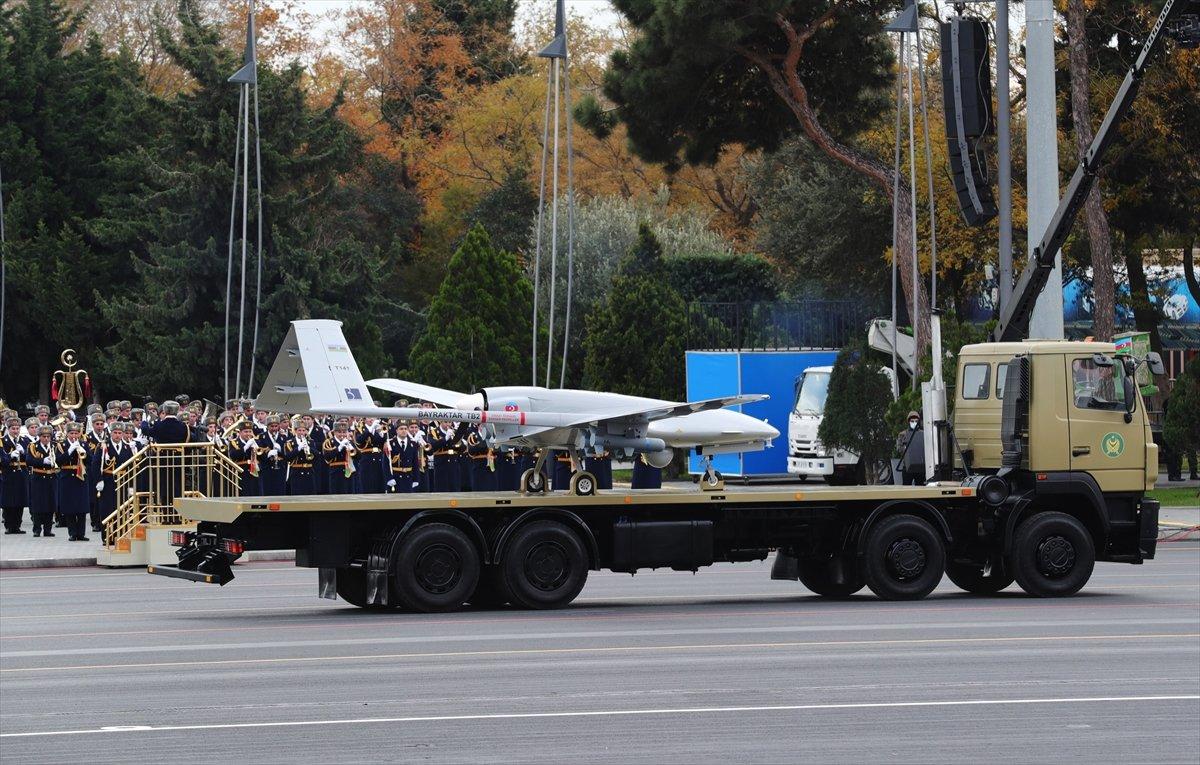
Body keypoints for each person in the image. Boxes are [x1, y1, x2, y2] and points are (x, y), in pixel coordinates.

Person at [95, 423, 135, 542]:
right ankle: (107, 537)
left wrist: (131, 485)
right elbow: (96, 464)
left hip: (123, 482)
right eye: (115, 433)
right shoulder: (103, 446)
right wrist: (99, 480)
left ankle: (120, 535)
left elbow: (132, 467)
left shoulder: (128, 447)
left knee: (122, 510)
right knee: (107, 510)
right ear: (111, 433)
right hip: (108, 482)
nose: (117, 435)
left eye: (119, 433)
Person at [53, 423, 91, 541]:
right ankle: (72, 533)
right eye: (71, 433)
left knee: (81, 507)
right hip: (67, 478)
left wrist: (85, 452)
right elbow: (58, 461)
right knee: (70, 507)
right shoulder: (61, 445)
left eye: (76, 433)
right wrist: (69, 450)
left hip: (81, 478)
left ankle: (81, 533)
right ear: (67, 434)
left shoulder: (84, 444)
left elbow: (91, 460)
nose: (74, 436)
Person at [27, 425, 58, 536]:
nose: (46, 439)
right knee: (38, 504)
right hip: (38, 477)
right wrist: (42, 461)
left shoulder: (55, 446)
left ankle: (48, 529)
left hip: (51, 477)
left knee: (50, 504)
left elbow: (60, 458)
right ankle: (37, 529)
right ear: (39, 437)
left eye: (48, 436)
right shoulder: (33, 446)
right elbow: (29, 460)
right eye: (43, 436)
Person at [2, 417, 29, 534]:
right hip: (8, 474)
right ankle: (9, 526)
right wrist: (10, 456)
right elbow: (1, 459)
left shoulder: (23, 440)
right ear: (8, 429)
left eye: (17, 428)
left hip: (21, 474)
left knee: (19, 500)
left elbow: (31, 458)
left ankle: (17, 525)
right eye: (13, 428)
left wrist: (24, 452)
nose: (16, 431)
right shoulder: (3, 441)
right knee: (9, 501)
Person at [226, 420, 263, 497]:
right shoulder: (234, 442)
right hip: (242, 472)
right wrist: (245, 447)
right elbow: (233, 456)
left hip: (255, 472)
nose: (248, 434)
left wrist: (255, 446)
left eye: (250, 431)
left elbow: (262, 457)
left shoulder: (256, 441)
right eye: (245, 432)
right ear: (240, 433)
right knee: (244, 494)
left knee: (256, 493)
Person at [323, 418, 358, 494]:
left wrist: (351, 447)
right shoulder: (329, 442)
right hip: (335, 472)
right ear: (334, 432)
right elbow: (327, 457)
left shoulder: (349, 441)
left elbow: (358, 457)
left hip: (348, 471)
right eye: (339, 432)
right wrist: (339, 447)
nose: (342, 434)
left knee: (349, 493)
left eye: (344, 432)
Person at [354, 417, 388, 493]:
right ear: (365, 419)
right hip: (367, 458)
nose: (371, 419)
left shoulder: (378, 427)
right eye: (369, 417)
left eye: (373, 417)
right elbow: (359, 441)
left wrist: (380, 433)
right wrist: (370, 429)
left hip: (378, 458)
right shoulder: (360, 428)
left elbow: (383, 443)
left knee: (379, 483)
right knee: (367, 483)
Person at [285, 418, 317, 495]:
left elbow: (317, 455)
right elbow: (288, 457)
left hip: (309, 472)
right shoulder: (290, 443)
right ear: (295, 431)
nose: (301, 433)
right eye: (299, 430)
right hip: (296, 472)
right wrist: (298, 448)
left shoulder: (310, 441)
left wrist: (309, 449)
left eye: (303, 430)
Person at [258, 415, 288, 496]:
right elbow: (259, 453)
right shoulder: (262, 436)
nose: (274, 428)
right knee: (267, 491)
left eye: (276, 426)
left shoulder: (283, 437)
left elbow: (287, 454)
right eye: (272, 426)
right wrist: (268, 454)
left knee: (280, 491)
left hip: (280, 468)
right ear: (267, 426)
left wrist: (280, 450)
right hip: (267, 468)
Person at [386, 422, 419, 493]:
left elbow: (415, 462)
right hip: (395, 477)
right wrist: (389, 478)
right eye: (401, 429)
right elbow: (386, 463)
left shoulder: (413, 443)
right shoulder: (390, 443)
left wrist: (416, 479)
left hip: (408, 477)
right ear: (396, 431)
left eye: (405, 429)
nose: (404, 431)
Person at [896, 410, 926, 485]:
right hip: (907, 466)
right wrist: (906, 448)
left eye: (916, 421)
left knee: (921, 487)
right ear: (908, 422)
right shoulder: (902, 434)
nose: (914, 423)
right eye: (912, 421)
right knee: (906, 488)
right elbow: (899, 448)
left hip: (920, 466)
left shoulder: (923, 434)